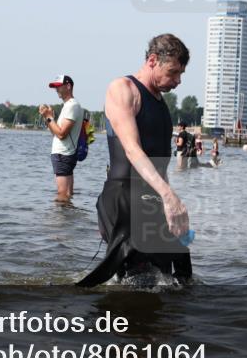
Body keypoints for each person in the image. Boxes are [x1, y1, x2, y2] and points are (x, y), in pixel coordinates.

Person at [77, 34, 192, 286]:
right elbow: (132, 150)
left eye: (181, 74)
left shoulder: (161, 102)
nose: (178, 81)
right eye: (173, 72)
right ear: (153, 60)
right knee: (137, 283)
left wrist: (170, 201)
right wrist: (169, 197)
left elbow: (159, 165)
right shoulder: (123, 89)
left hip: (152, 198)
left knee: (174, 280)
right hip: (124, 196)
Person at [38, 74, 83, 202]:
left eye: (58, 86)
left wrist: (49, 117)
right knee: (67, 194)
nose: (56, 89)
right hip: (65, 154)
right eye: (55, 87)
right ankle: (68, 220)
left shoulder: (72, 106)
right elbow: (57, 133)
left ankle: (60, 220)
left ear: (68, 86)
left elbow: (61, 134)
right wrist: (48, 118)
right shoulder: (68, 106)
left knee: (62, 195)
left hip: (63, 154)